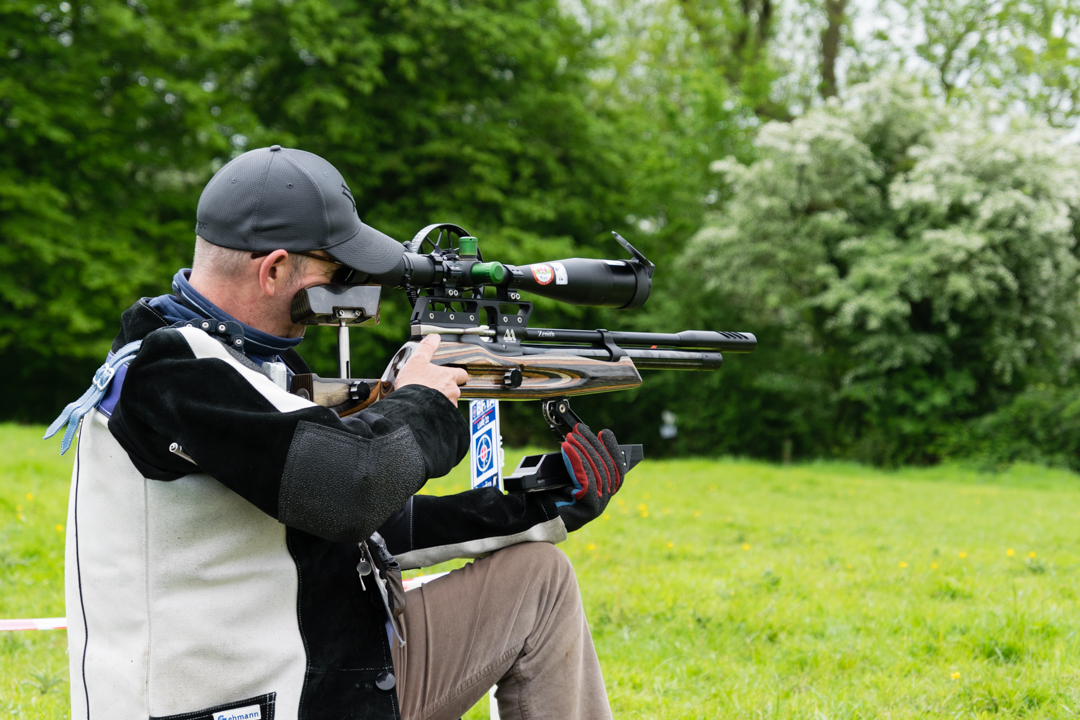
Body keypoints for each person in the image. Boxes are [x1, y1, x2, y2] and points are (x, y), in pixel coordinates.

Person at [50, 145, 628, 720]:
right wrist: (422, 403)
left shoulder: (242, 364)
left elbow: (361, 526)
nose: (347, 285)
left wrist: (539, 507)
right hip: (233, 703)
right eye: (336, 271)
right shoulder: (171, 372)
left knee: (539, 581)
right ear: (274, 270)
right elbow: (353, 492)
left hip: (320, 672)